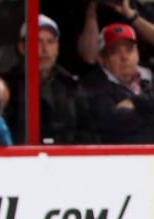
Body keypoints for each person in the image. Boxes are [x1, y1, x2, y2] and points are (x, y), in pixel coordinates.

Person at [78, 22, 154, 144]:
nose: (125, 57)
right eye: (115, 52)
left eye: (129, 50)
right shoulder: (94, 86)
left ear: (137, 53)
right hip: (123, 158)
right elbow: (112, 122)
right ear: (101, 59)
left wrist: (137, 102)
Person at [6, 13, 95, 145]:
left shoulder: (70, 85)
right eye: (37, 41)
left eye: (50, 42)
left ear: (57, 46)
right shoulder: (9, 87)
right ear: (22, 47)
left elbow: (89, 133)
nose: (45, 49)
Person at [77, 0, 154, 68]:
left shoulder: (141, 8)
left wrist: (130, 15)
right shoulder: (87, 11)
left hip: (137, 74)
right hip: (99, 80)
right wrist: (91, 14)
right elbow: (89, 57)